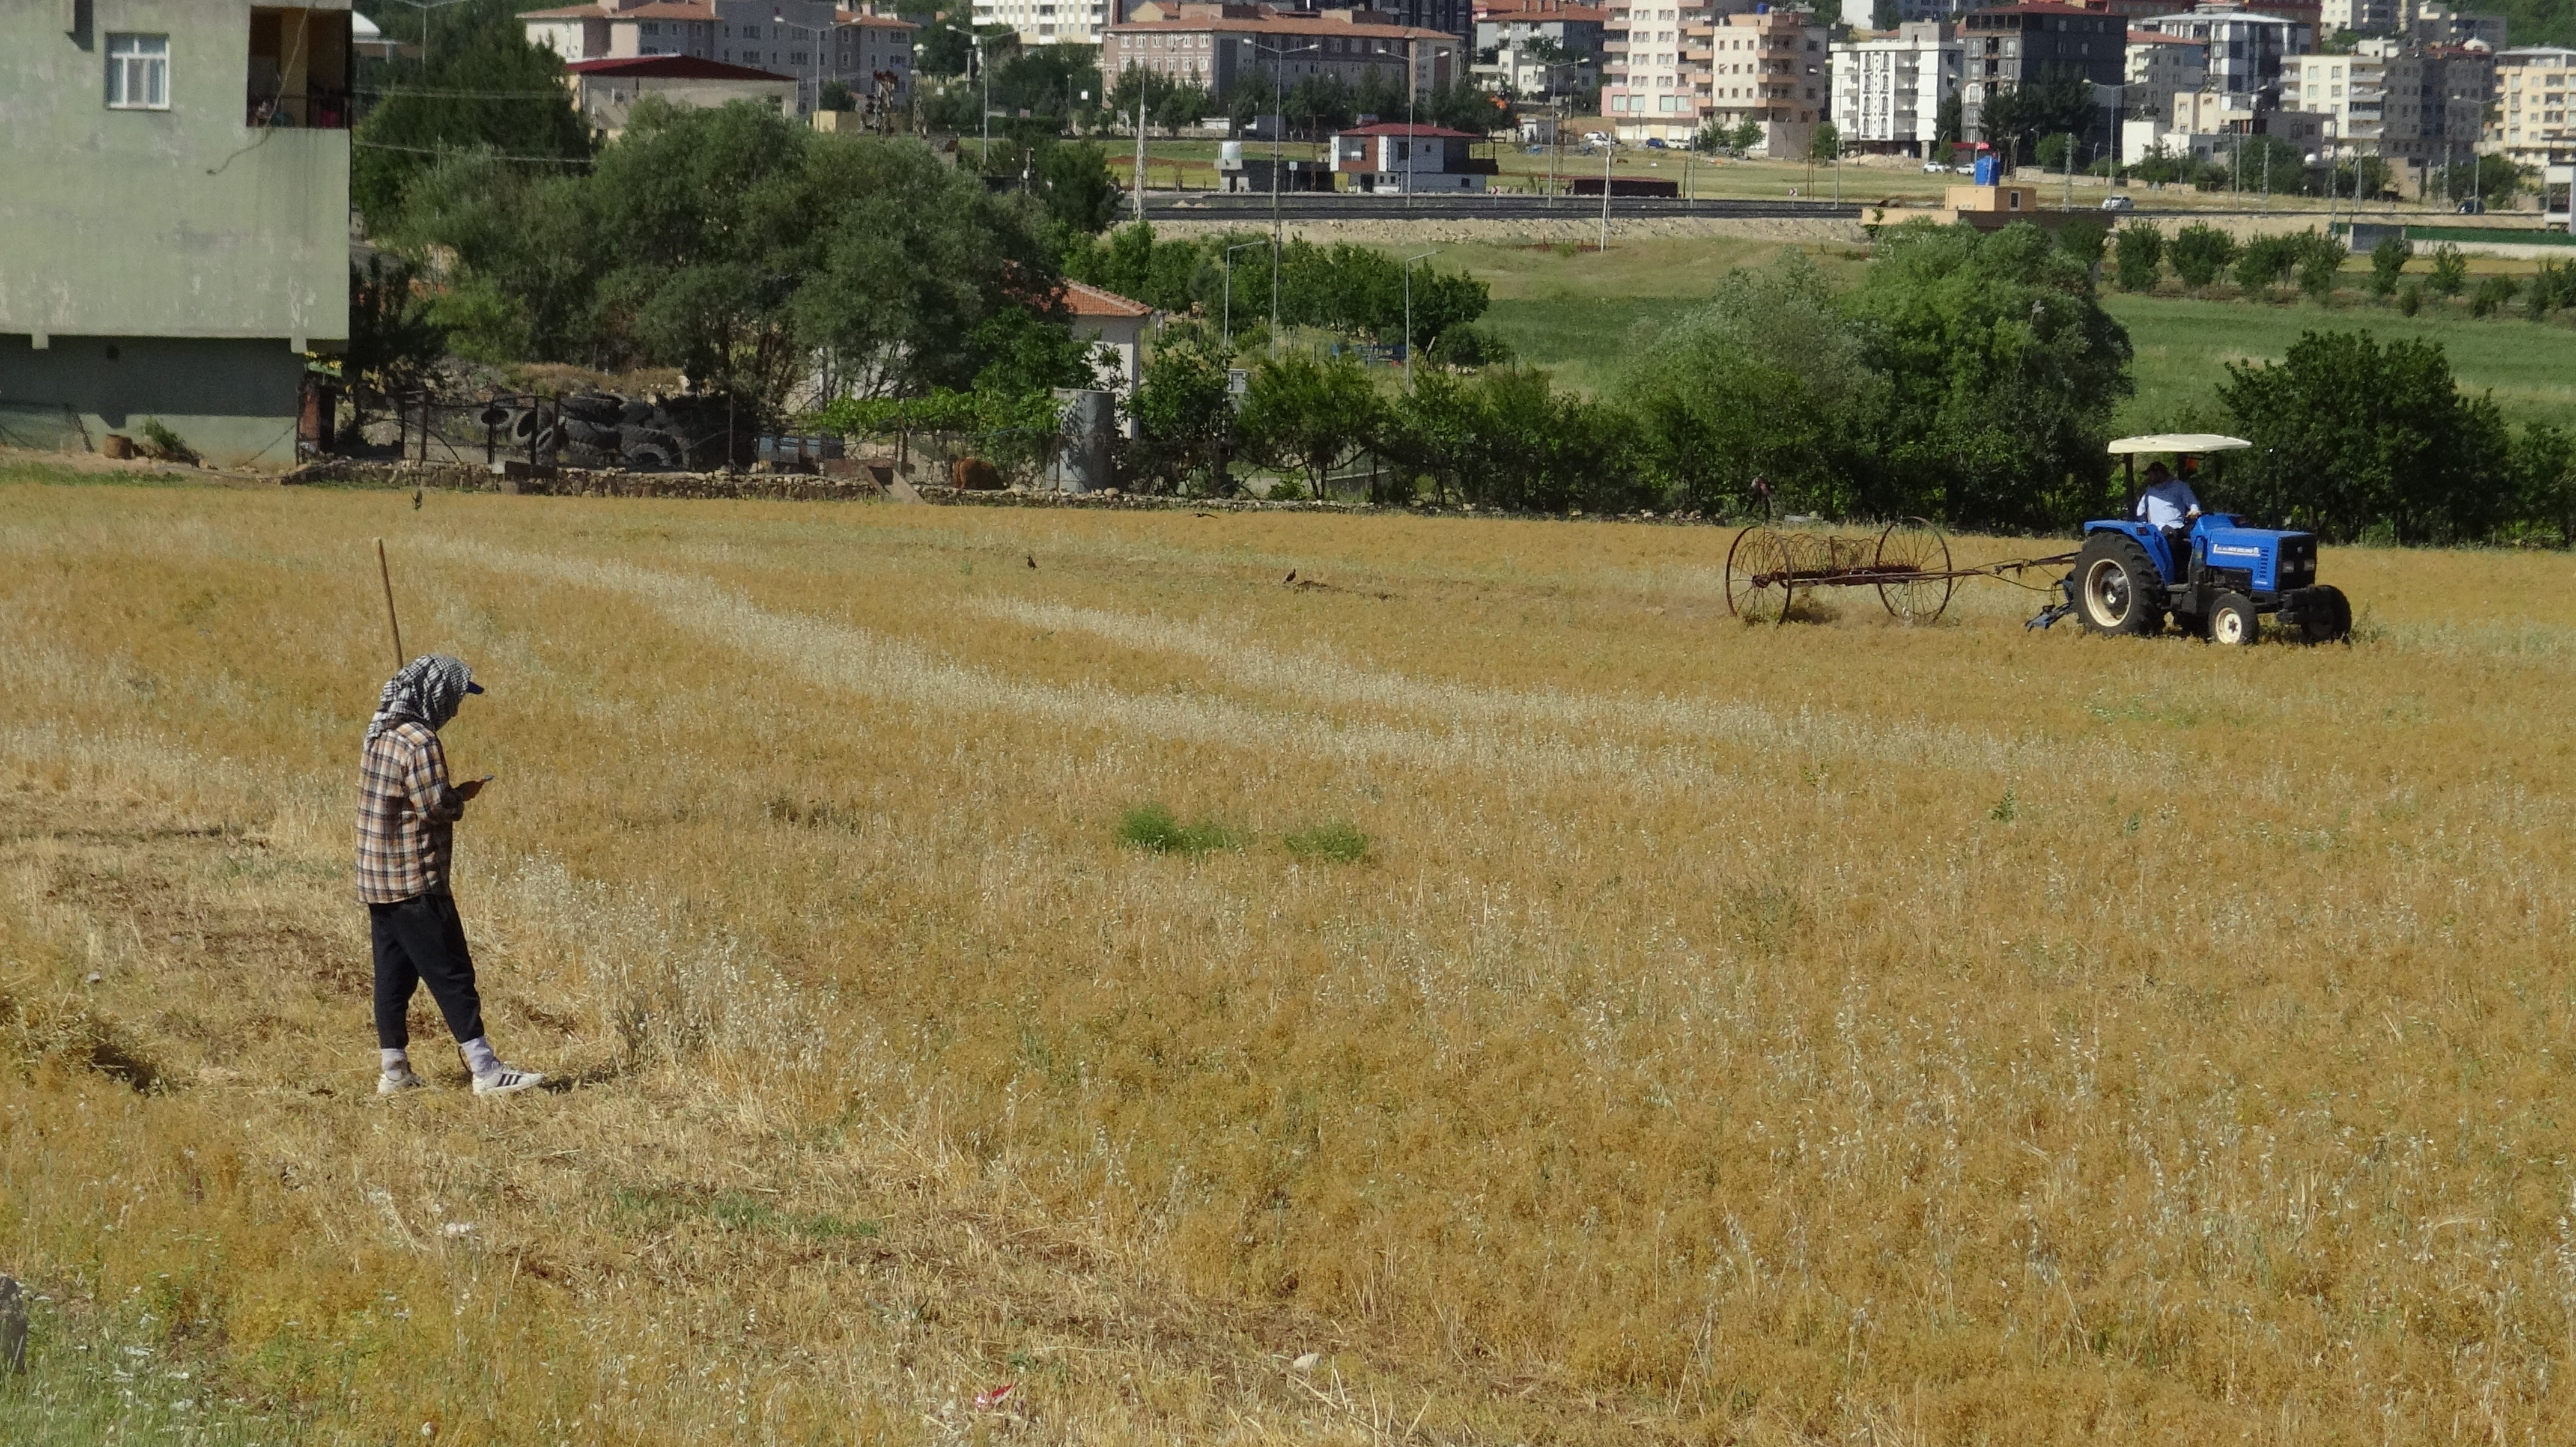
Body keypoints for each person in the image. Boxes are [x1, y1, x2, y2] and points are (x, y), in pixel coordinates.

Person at [357, 655, 544, 1097]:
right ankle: (486, 1070)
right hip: (415, 878)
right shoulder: (420, 742)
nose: (457, 708)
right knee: (452, 972)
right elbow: (434, 808)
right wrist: (460, 796)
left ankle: (395, 1069)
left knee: (393, 976)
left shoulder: (380, 732)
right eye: (456, 698)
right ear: (436, 696)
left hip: (377, 880)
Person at [2134, 458, 2202, 567]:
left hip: (2179, 525)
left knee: (2199, 535)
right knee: (2171, 536)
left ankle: (2198, 567)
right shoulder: (2150, 492)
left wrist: (2194, 511)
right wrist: (2146, 526)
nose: (2148, 478)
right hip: (2159, 528)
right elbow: (2140, 511)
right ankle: (2174, 570)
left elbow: (2192, 503)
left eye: (2150, 474)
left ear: (2159, 473)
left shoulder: (2180, 486)